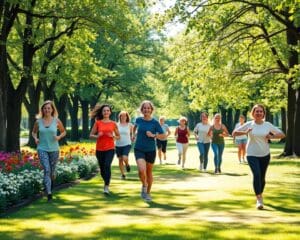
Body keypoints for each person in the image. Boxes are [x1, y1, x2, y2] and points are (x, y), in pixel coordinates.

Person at [232, 104, 285, 210]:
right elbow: (234, 133)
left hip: (265, 154)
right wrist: (245, 132)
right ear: (253, 113)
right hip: (251, 154)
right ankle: (259, 199)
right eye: (257, 111)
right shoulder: (249, 124)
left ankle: (260, 193)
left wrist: (272, 136)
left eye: (261, 111)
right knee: (256, 174)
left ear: (263, 114)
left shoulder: (267, 125)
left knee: (262, 178)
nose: (259, 113)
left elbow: (282, 134)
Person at [32, 100, 66, 202]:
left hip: (54, 149)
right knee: (47, 169)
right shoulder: (38, 121)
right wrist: (35, 138)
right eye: (45, 108)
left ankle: (50, 185)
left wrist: (59, 137)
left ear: (52, 110)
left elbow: (64, 131)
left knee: (52, 171)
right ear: (42, 110)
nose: (47, 110)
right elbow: (33, 132)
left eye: (49, 108)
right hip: (42, 148)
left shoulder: (56, 121)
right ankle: (49, 193)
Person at [133, 100, 165, 202]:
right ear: (142, 110)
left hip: (150, 150)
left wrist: (153, 135)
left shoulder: (155, 122)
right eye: (144, 108)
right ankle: (144, 185)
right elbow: (134, 128)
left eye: (148, 108)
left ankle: (147, 193)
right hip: (139, 148)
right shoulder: (138, 120)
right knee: (141, 170)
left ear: (151, 110)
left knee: (149, 172)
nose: (146, 109)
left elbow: (163, 135)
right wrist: (133, 135)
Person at [89, 104, 120, 194]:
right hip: (99, 149)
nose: (106, 112)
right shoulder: (98, 123)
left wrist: (113, 136)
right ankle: (106, 180)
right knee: (102, 169)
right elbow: (90, 135)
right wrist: (97, 136)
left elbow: (118, 136)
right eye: (104, 111)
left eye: (107, 111)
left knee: (107, 165)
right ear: (102, 113)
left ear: (110, 112)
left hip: (110, 148)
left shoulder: (113, 123)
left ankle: (106, 186)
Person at [116, 111, 133, 180]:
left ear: (127, 117)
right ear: (119, 117)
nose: (123, 117)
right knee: (120, 160)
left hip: (127, 144)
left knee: (124, 157)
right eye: (121, 116)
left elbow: (133, 133)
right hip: (118, 144)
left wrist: (133, 137)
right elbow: (114, 134)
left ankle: (127, 164)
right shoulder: (116, 125)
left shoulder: (130, 125)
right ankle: (123, 174)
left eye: (124, 116)